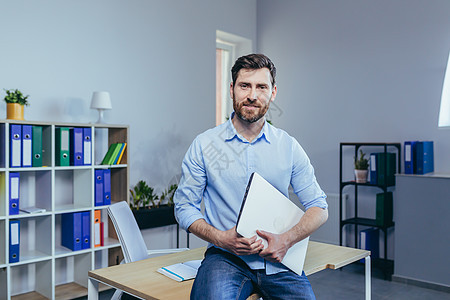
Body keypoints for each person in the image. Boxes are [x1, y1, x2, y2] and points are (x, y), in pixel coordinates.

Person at [174, 53, 328, 300]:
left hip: (279, 259)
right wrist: (221, 239)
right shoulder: (204, 145)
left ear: (273, 92)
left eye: (261, 87)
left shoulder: (288, 146)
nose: (252, 95)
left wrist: (286, 240)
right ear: (232, 89)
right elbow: (184, 207)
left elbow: (319, 207)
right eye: (245, 85)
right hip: (225, 258)